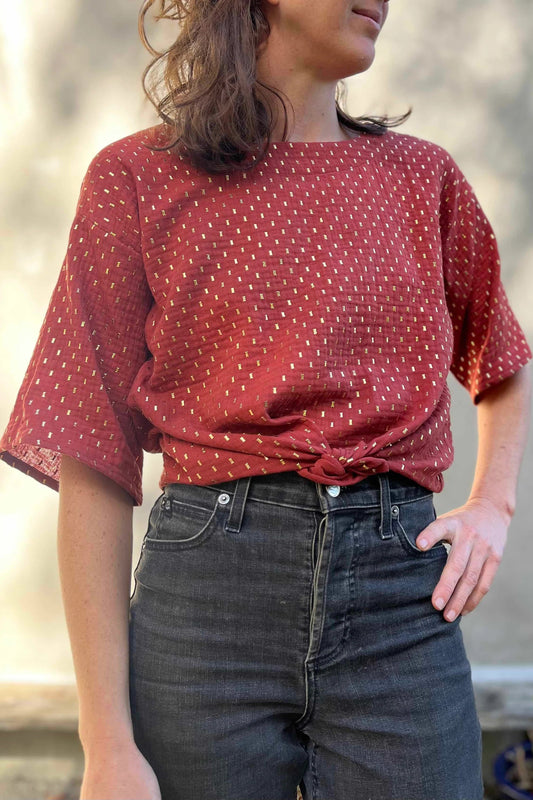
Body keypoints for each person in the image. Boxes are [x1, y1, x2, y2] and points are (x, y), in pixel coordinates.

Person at [1, 0, 532, 798]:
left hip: (397, 603)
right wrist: (106, 742)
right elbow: (91, 453)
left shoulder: (421, 177)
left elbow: (501, 354)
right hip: (205, 610)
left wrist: (492, 504)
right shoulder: (136, 177)